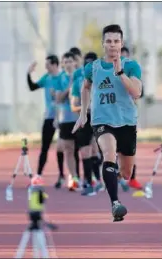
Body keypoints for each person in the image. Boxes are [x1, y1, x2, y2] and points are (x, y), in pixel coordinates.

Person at [72, 24, 142, 222]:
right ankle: (115, 203)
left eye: (116, 41)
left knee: (127, 173)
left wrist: (120, 73)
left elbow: (136, 92)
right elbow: (85, 88)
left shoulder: (131, 66)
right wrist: (84, 113)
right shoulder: (92, 68)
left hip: (127, 122)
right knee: (109, 153)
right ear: (103, 44)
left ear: (121, 43)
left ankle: (112, 174)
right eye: (109, 41)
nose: (112, 45)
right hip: (102, 121)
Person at [27, 55, 65, 187]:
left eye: (48, 64)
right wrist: (28, 74)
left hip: (62, 117)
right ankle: (38, 175)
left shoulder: (62, 77)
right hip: (49, 116)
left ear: (55, 65)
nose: (46, 67)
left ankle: (62, 176)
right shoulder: (46, 78)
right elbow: (33, 87)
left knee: (62, 147)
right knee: (45, 147)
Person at [70, 51, 105, 196]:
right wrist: (84, 108)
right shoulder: (78, 81)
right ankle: (89, 182)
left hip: (99, 120)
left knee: (97, 151)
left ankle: (98, 179)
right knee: (85, 152)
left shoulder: (103, 81)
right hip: (84, 119)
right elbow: (73, 106)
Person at [54, 52, 81, 191]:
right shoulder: (60, 78)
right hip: (65, 118)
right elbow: (58, 98)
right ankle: (73, 177)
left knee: (85, 149)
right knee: (69, 150)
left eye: (70, 61)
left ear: (75, 63)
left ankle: (91, 177)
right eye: (65, 62)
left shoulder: (81, 76)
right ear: (62, 64)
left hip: (80, 118)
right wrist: (69, 88)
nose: (68, 64)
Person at [120, 46, 143, 190]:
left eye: (124, 55)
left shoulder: (133, 70)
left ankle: (132, 177)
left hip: (129, 117)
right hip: (113, 116)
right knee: (114, 149)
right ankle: (115, 178)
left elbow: (138, 93)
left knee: (129, 150)